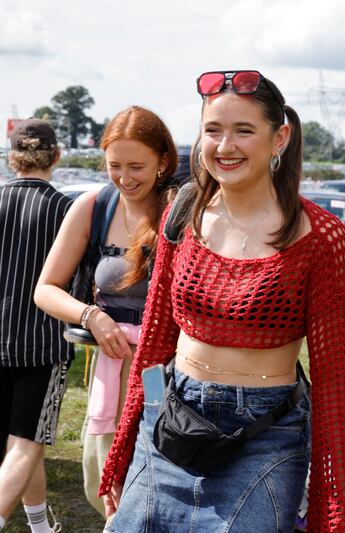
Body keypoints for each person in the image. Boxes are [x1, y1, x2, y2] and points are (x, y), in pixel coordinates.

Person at [97, 70, 345, 532]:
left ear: (279, 137)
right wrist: (131, 439)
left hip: (264, 435)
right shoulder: (182, 215)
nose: (225, 146)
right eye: (213, 130)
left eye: (244, 130)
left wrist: (339, 503)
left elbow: (336, 377)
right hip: (170, 423)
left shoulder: (322, 236)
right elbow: (156, 343)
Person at [34, 106, 178, 519]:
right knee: (103, 474)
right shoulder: (93, 206)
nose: (125, 178)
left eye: (138, 166)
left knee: (155, 460)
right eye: (115, 166)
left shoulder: (180, 211)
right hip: (111, 369)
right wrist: (90, 316)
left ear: (163, 162)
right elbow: (45, 289)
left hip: (161, 373)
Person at [0, 119, 72, 533]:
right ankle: (38, 525)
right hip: (42, 343)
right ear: (56, 156)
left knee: (21, 447)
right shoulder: (65, 209)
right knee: (25, 443)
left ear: (13, 158)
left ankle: (41, 525)